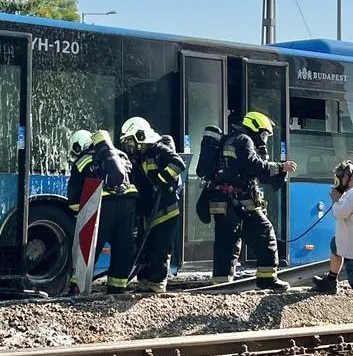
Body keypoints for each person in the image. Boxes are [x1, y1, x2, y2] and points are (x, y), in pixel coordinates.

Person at [199, 111, 296, 291]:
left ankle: (222, 282)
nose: (264, 138)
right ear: (255, 127)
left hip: (220, 200)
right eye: (264, 134)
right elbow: (255, 167)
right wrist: (281, 167)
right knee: (265, 231)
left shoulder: (230, 139)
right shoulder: (244, 140)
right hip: (238, 198)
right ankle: (267, 278)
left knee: (226, 239)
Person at [119, 116, 186, 294]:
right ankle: (145, 281)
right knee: (145, 247)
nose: (129, 147)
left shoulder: (159, 149)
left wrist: (162, 179)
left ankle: (157, 283)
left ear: (141, 136)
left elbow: (178, 163)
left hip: (166, 209)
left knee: (160, 247)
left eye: (131, 142)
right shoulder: (140, 158)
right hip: (149, 211)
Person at [67, 129, 137, 294]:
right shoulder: (121, 156)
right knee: (123, 246)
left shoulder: (83, 161)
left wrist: (79, 214)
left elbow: (74, 197)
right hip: (128, 205)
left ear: (79, 146)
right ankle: (117, 289)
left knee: (90, 246)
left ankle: (78, 288)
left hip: (102, 205)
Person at [312, 161, 353, 322]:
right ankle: (331, 280)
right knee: (335, 245)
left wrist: (336, 199)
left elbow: (338, 213)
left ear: (343, 180)